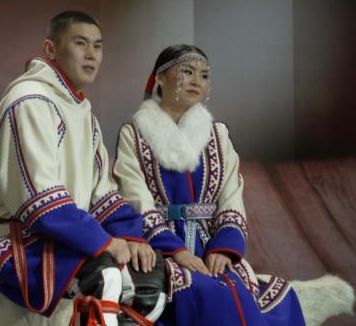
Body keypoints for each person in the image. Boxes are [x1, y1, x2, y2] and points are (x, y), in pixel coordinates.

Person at [0, 11, 164, 326]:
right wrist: (105, 242)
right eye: (81, 43)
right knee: (106, 275)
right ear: (50, 49)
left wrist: (131, 237)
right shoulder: (29, 101)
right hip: (6, 236)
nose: (92, 54)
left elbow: (102, 194)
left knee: (147, 279)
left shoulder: (82, 112)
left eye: (97, 46)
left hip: (56, 235)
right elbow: (38, 201)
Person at [112, 44, 308, 326]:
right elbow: (134, 196)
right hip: (161, 249)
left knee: (270, 295)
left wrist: (223, 248)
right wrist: (176, 251)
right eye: (187, 72)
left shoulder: (218, 134)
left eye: (204, 75)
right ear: (160, 78)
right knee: (205, 292)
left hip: (210, 244)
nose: (197, 81)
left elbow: (231, 193)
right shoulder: (134, 134)